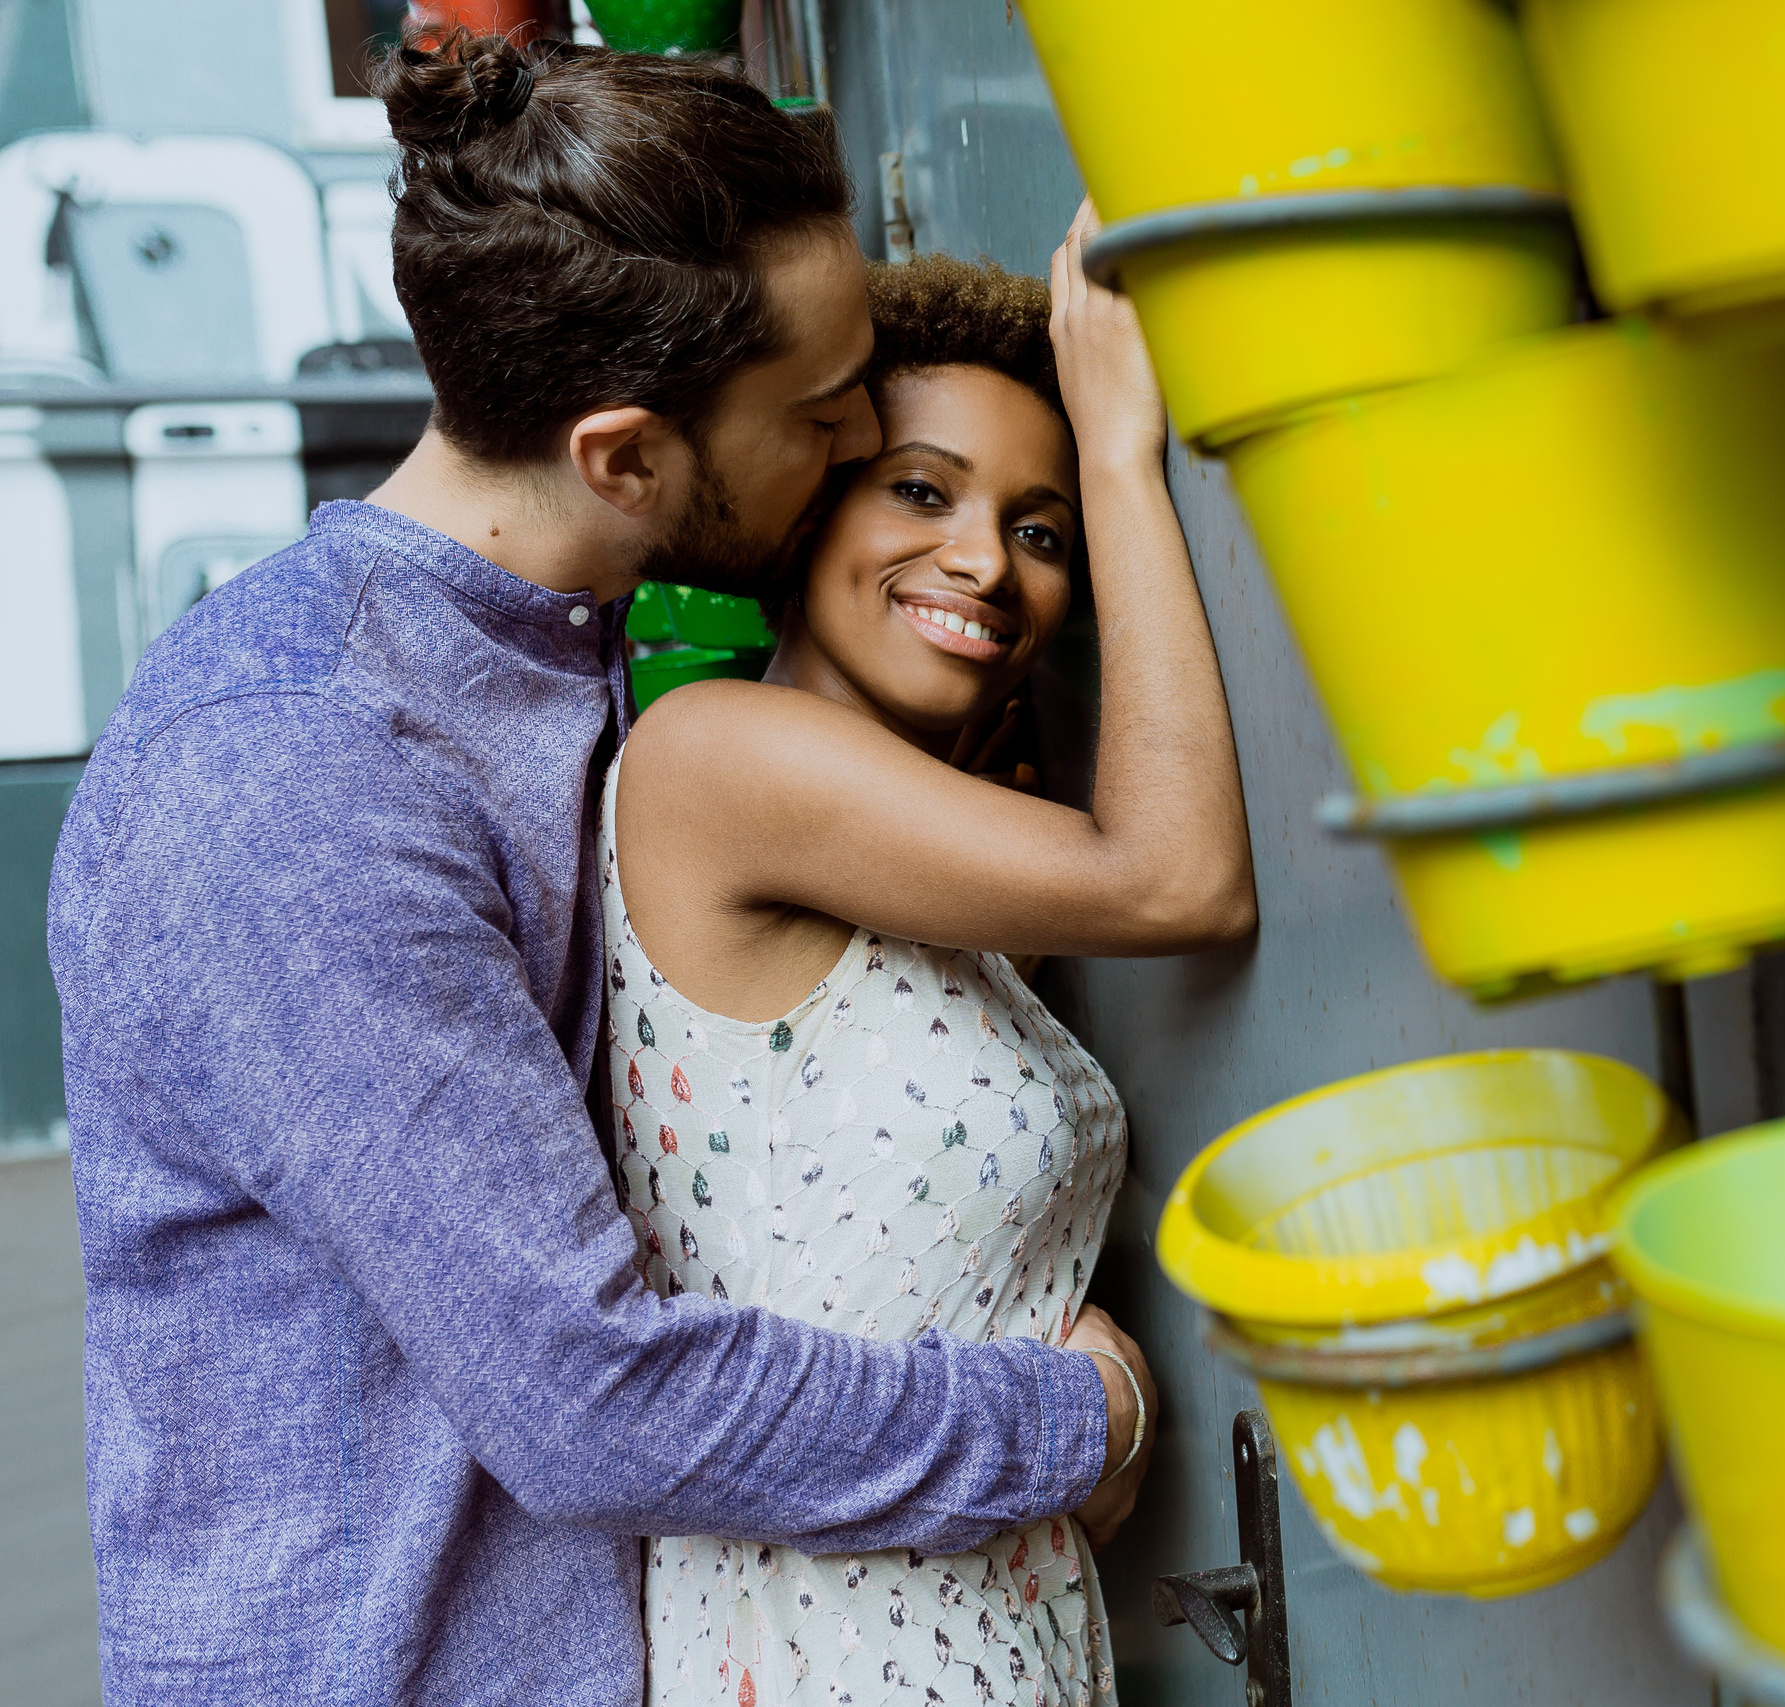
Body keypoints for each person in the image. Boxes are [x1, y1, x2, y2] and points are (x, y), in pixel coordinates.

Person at [44, 32, 1235, 1705]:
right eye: (824, 419)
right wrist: (1066, 1419)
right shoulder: (296, 778)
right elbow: (592, 1404)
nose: (844, 450)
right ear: (624, 458)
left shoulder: (557, 659)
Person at [609, 225, 1253, 1704]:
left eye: (1041, 530)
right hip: (828, 1654)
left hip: (987, 1638)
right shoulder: (716, 755)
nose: (985, 560)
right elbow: (1179, 876)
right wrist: (1117, 454)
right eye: (920, 491)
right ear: (802, 513)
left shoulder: (948, 874)